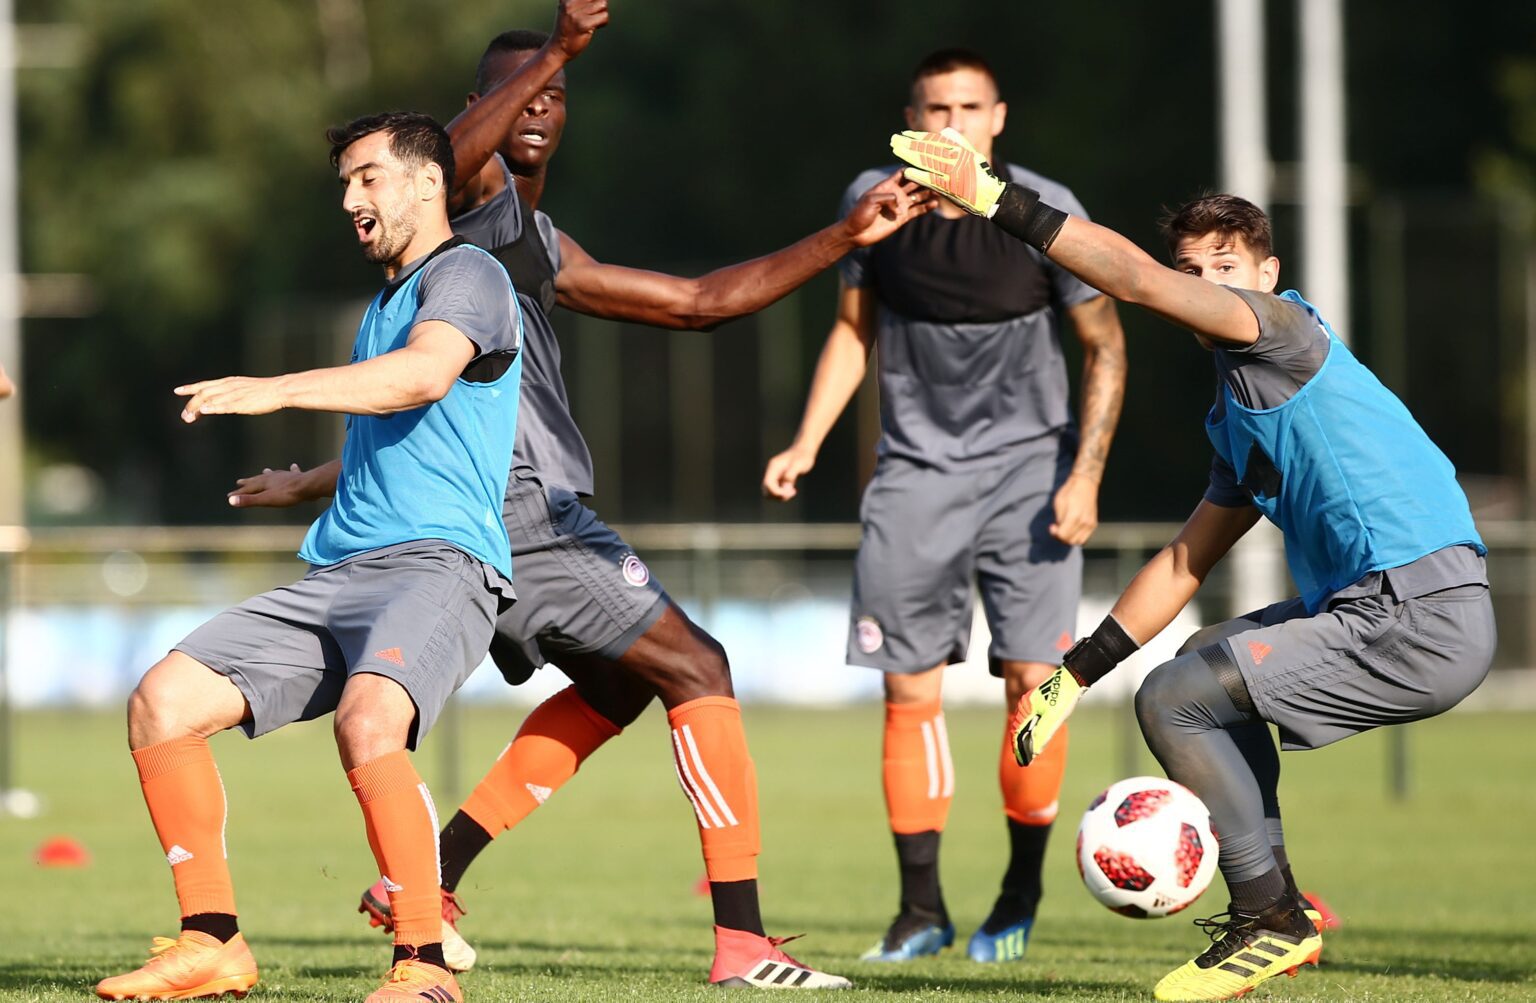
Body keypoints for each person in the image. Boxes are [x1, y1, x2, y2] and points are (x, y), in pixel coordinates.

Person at [227, 1, 927, 989]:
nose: (540, 105)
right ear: (475, 110)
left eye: (556, 93)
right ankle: (743, 943)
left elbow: (699, 304)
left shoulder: (536, 242)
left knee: (617, 685)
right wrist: (557, 45)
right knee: (700, 667)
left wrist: (844, 235)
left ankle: (432, 875)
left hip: (492, 514)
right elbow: (445, 162)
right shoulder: (460, 212)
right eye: (518, 91)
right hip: (528, 514)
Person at [891, 128, 1493, 1001]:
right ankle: (1284, 906)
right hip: (1385, 604)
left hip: (1416, 612)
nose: (1207, 283)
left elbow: (1137, 281)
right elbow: (1183, 560)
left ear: (1267, 274)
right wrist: (1072, 675)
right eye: (1193, 268)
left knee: (1174, 699)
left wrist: (997, 201)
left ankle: (1268, 918)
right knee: (1198, 661)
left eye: (1226, 266)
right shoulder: (1239, 417)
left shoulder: (1281, 330)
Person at [95, 112, 523, 1003]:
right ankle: (213, 940)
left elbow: (422, 378)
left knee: (369, 721)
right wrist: (313, 482)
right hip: (343, 573)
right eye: (344, 183)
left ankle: (425, 964)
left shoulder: (470, 275)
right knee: (162, 702)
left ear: (428, 183)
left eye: (368, 176)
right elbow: (413, 433)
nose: (350, 198)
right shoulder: (383, 306)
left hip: (440, 565)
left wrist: (275, 390)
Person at [761, 50, 1126, 964]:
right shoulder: (875, 201)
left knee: (1035, 687)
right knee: (906, 689)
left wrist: (1084, 475)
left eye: (969, 108)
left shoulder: (1045, 208)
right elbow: (853, 335)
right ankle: (920, 908)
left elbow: (1106, 345)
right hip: (915, 474)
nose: (952, 124)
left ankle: (1018, 892)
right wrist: (806, 442)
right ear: (911, 119)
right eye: (936, 109)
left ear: (997, 119)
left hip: (1031, 479)